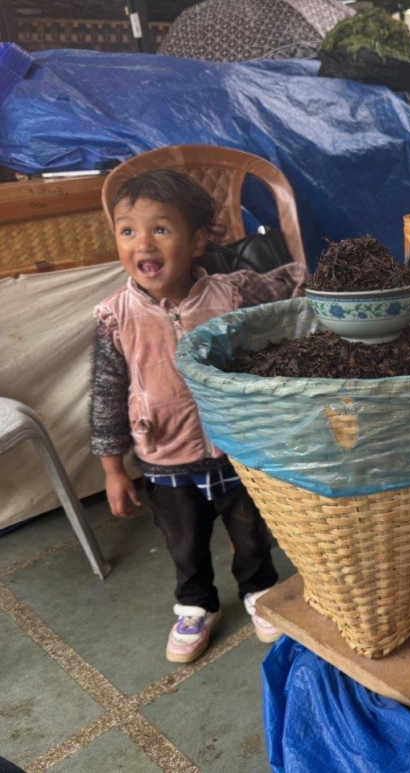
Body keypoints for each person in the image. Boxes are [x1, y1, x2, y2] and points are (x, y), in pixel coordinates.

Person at [90, 169, 307, 663]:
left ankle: (259, 589)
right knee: (184, 542)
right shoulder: (114, 317)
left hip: (236, 449)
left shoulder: (231, 295)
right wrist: (112, 469)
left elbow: (292, 283)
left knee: (250, 531)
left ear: (197, 243)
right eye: (128, 231)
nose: (143, 243)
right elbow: (106, 396)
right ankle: (195, 605)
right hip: (165, 458)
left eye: (161, 229)